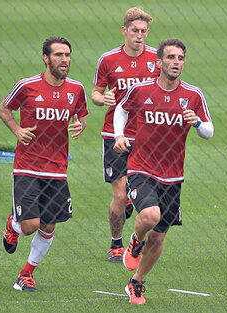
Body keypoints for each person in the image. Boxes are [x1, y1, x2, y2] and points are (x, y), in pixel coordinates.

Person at [113, 38, 214, 304]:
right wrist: (119, 135)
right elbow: (121, 111)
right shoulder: (141, 89)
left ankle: (136, 283)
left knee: (158, 239)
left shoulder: (193, 95)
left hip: (173, 176)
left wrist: (197, 122)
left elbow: (209, 132)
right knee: (149, 216)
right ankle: (135, 240)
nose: (176, 63)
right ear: (159, 62)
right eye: (170, 58)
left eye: (180, 58)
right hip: (141, 168)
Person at [0, 36, 88, 292]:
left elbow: (81, 115)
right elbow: (4, 109)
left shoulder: (76, 89)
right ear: (46, 58)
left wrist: (80, 125)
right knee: (30, 226)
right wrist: (16, 130)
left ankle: (26, 274)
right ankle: (13, 224)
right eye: (59, 55)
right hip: (27, 166)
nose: (65, 60)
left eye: (68, 55)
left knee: (49, 225)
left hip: (57, 170)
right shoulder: (27, 86)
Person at [91, 7, 160, 263]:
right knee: (119, 195)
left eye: (143, 31)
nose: (139, 36)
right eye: (134, 31)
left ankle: (134, 216)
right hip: (115, 134)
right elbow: (96, 93)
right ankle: (116, 243)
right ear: (124, 31)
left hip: (147, 136)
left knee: (149, 189)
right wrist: (102, 98)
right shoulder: (108, 60)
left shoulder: (157, 59)